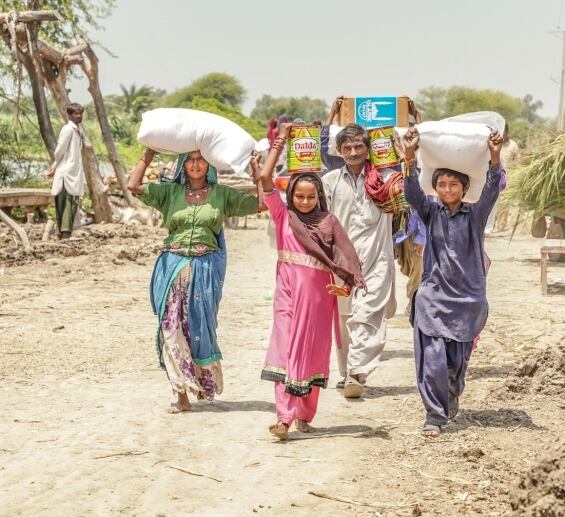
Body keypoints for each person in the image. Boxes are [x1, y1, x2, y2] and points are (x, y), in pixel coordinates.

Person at [128, 148, 263, 413]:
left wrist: (257, 172)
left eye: (200, 159)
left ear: (210, 164)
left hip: (204, 271)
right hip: (172, 269)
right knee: (171, 328)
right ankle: (181, 395)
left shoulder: (222, 195)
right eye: (189, 159)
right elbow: (134, 185)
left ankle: (201, 382)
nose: (195, 164)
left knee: (199, 327)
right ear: (182, 165)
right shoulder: (169, 193)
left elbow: (261, 204)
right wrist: (148, 154)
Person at [254, 123, 366, 440]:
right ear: (291, 196)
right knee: (285, 350)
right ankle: (283, 417)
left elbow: (345, 257)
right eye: (299, 196)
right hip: (287, 296)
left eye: (310, 197)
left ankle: (305, 415)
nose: (304, 202)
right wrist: (280, 141)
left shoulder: (327, 222)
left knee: (312, 352)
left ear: (319, 197)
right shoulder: (282, 215)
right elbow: (264, 179)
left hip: (320, 295)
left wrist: (344, 286)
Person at [402, 126, 504, 437]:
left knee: (457, 361)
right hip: (433, 295)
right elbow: (412, 194)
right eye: (442, 184)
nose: (447, 189)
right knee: (431, 357)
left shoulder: (475, 215)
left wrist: (495, 155)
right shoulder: (430, 212)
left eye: (453, 184)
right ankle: (434, 414)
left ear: (463, 188)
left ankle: (451, 393)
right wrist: (410, 157)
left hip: (467, 296)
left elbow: (491, 189)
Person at [321, 124, 400, 398]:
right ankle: (348, 374)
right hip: (342, 262)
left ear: (368, 149)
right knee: (345, 319)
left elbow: (410, 193)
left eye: (358, 146)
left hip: (377, 258)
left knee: (366, 314)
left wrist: (407, 153)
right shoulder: (330, 181)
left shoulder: (388, 180)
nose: (353, 152)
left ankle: (356, 372)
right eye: (347, 148)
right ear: (340, 151)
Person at [48, 103, 87, 240]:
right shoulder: (68, 129)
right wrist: (55, 164)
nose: (79, 116)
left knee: (70, 204)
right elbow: (60, 150)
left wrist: (54, 164)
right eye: (76, 114)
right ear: (69, 115)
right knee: (66, 204)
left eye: (80, 113)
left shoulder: (78, 130)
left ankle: (63, 235)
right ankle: (64, 235)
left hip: (73, 172)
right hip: (66, 173)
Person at [484, 123, 516, 235]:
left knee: (503, 204)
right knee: (491, 202)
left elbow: (517, 161)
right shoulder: (492, 143)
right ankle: (489, 227)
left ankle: (501, 226)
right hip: (493, 175)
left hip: (507, 177)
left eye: (504, 131)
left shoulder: (513, 145)